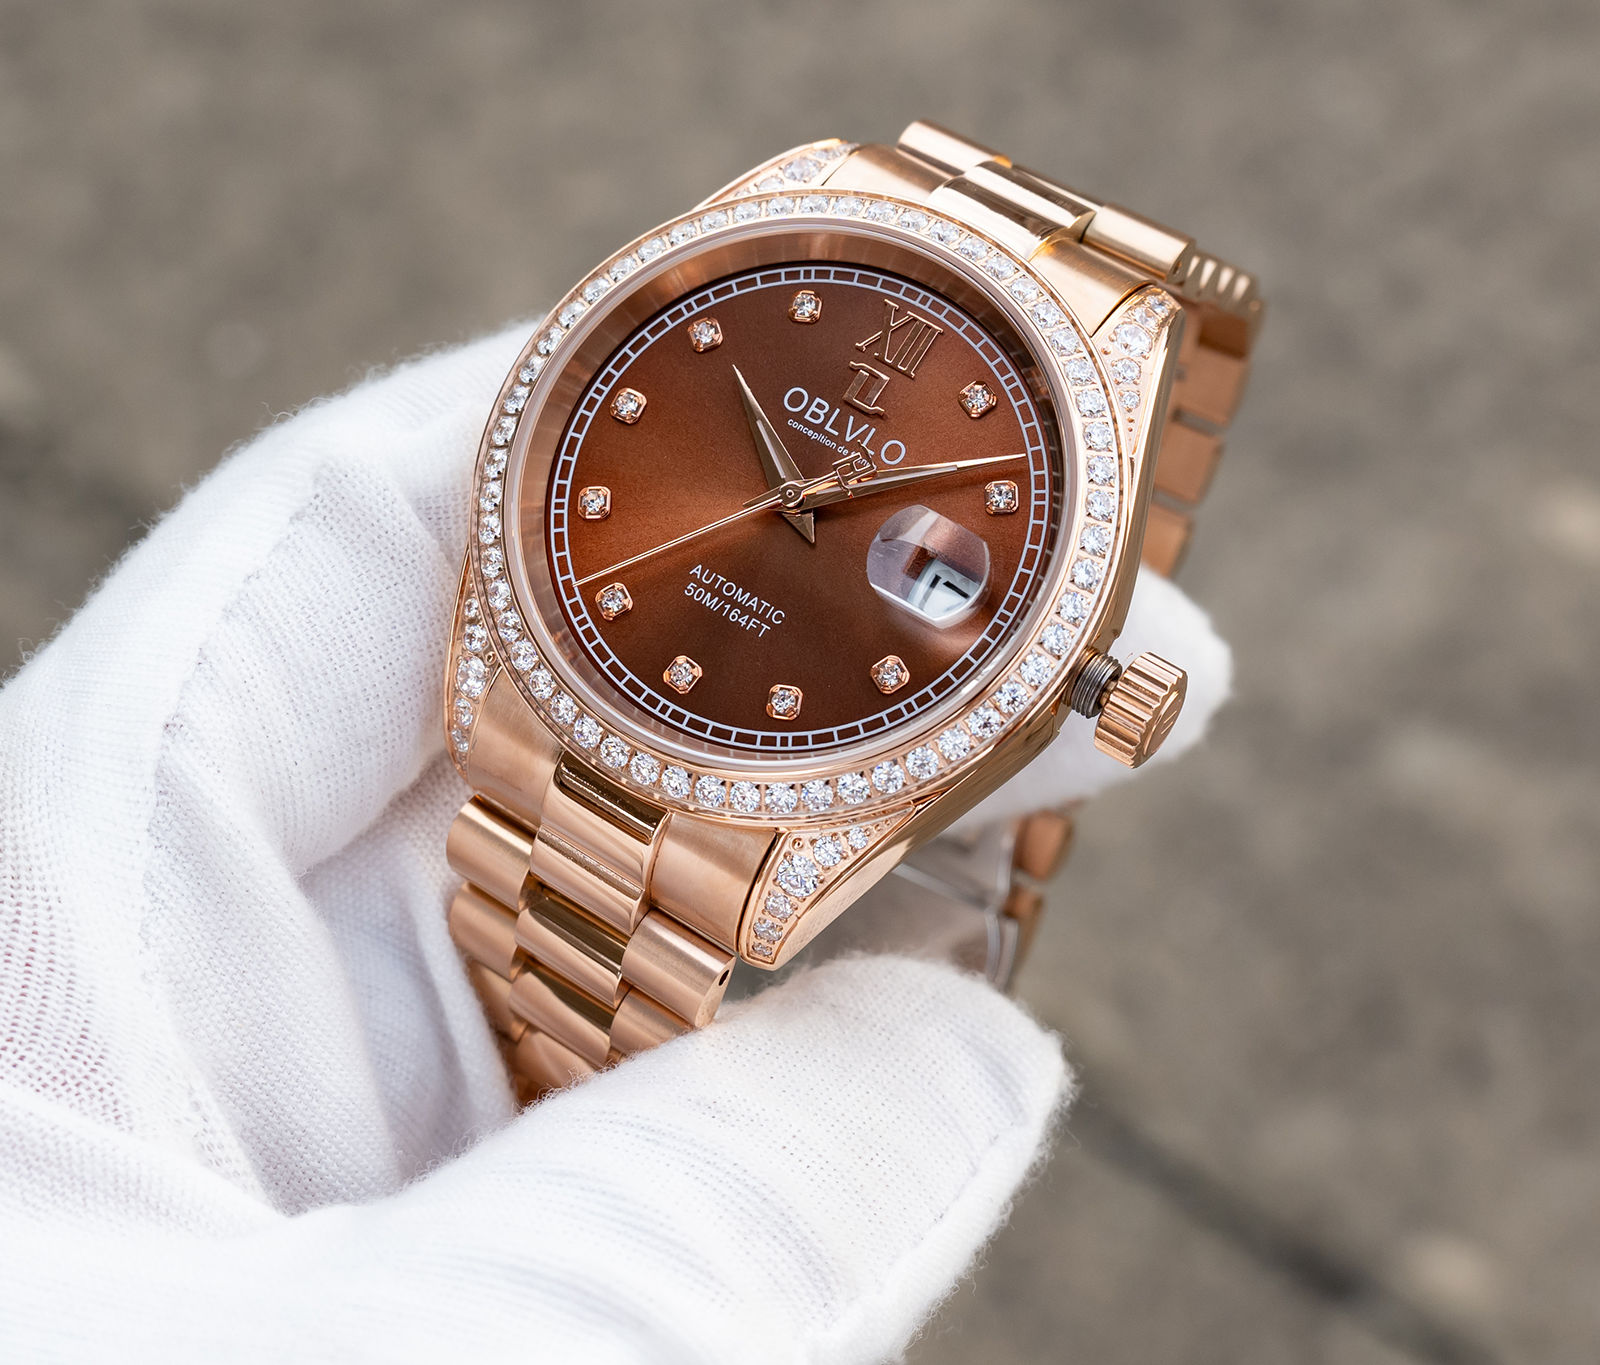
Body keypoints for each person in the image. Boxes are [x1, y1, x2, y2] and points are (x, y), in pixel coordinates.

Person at [0, 324, 1230, 1361]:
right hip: (611, 680)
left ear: (1087, 679)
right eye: (785, 480)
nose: (800, 504)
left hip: (763, 739)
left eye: (826, 508)